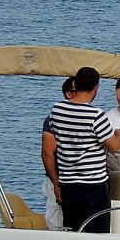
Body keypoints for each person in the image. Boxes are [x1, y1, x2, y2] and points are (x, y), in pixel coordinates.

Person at [48, 66, 120, 233]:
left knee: (73, 230)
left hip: (68, 183)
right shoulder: (96, 115)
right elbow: (114, 147)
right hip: (93, 185)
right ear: (96, 88)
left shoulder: (57, 110)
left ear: (75, 84)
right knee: (97, 232)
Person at [41, 77, 74, 231]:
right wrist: (56, 184)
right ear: (68, 94)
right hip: (60, 179)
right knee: (57, 223)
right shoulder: (53, 120)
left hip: (80, 182)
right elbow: (47, 154)